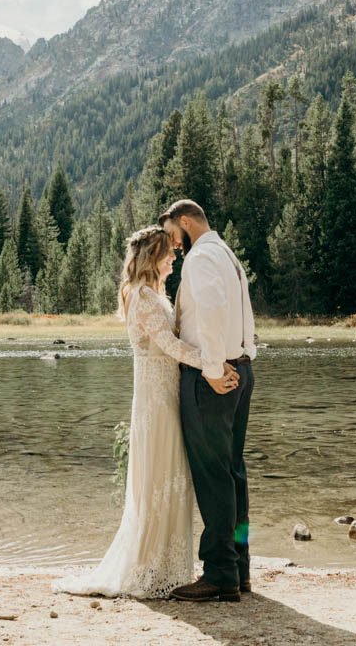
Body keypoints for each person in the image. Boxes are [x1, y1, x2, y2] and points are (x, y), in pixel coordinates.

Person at [53, 225, 238, 599]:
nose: (173, 258)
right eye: (168, 253)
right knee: (159, 478)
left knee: (171, 476)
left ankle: (166, 565)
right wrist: (211, 364)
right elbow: (168, 344)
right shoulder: (142, 296)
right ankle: (150, 567)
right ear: (153, 257)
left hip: (166, 395)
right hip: (156, 401)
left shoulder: (153, 295)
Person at [158, 198, 257, 603]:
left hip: (213, 377)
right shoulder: (227, 254)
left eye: (171, 234)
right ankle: (240, 566)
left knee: (213, 475)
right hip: (242, 368)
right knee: (233, 472)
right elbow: (243, 315)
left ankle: (219, 573)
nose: (172, 244)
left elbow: (213, 314)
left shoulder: (200, 258)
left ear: (185, 222)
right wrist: (237, 361)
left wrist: (214, 370)